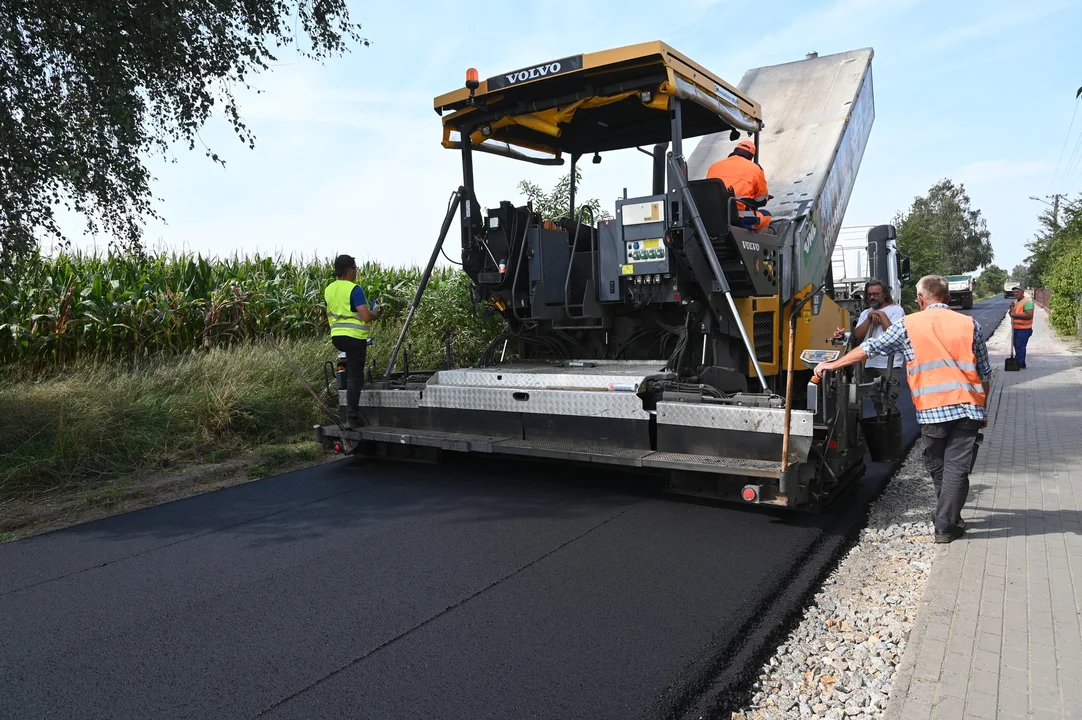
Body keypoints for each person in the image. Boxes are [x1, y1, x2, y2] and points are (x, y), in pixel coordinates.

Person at [814, 275, 991, 544]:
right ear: (948, 297)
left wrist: (832, 365)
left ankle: (945, 523)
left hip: (932, 410)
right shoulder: (970, 324)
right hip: (968, 407)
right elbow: (985, 372)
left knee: (939, 465)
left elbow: (870, 347)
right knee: (955, 468)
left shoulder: (909, 323)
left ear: (921, 299)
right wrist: (984, 409)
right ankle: (949, 516)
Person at [833, 280, 906, 417]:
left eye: (876, 294)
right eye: (869, 294)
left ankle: (891, 434)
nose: (872, 297)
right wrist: (869, 318)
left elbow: (893, 336)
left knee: (888, 402)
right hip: (869, 364)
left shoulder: (896, 310)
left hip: (889, 365)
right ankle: (878, 434)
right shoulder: (865, 313)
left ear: (884, 294)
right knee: (877, 402)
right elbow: (858, 335)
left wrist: (882, 315)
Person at [325, 254, 380, 428]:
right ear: (349, 270)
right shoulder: (354, 289)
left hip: (337, 337)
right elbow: (365, 316)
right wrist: (375, 312)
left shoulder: (329, 289)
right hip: (354, 337)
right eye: (355, 268)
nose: (356, 271)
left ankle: (350, 411)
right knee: (356, 377)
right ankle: (353, 417)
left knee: (350, 374)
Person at [705, 139, 772, 232]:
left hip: (715, 217)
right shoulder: (755, 169)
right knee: (766, 216)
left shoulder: (714, 166)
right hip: (739, 218)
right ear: (751, 156)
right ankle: (751, 243)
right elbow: (761, 200)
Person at [1009, 286, 1034, 369]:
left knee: (1020, 346)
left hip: (1024, 329)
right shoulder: (1015, 302)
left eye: (1017, 292)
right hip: (1016, 328)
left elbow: (1029, 315)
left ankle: (1019, 363)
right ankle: (1020, 362)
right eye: (1014, 292)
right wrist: (1011, 308)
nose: (1015, 294)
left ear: (1022, 292)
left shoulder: (1027, 302)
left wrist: (1014, 315)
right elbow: (1011, 314)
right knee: (1016, 346)